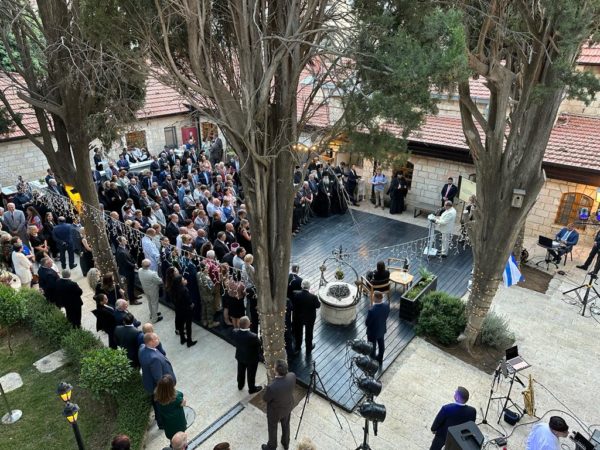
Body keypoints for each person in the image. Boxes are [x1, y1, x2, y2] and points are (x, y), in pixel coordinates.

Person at [139, 332, 177, 429]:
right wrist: (166, 390)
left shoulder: (142, 348)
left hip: (149, 384)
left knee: (156, 404)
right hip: (156, 387)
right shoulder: (154, 359)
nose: (158, 339)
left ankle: (159, 419)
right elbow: (158, 378)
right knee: (159, 404)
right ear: (151, 342)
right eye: (156, 338)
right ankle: (162, 423)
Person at [262, 359, 296, 450]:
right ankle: (286, 443)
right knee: (286, 426)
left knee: (272, 428)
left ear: (276, 371)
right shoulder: (292, 376)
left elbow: (265, 399)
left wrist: (265, 390)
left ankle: (272, 446)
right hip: (287, 407)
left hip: (275, 412)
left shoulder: (272, 387)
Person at [232, 316, 263, 394]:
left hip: (240, 356)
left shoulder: (235, 332)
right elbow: (259, 344)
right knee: (251, 374)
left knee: (240, 372)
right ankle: (252, 389)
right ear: (248, 324)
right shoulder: (253, 336)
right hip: (251, 359)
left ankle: (240, 385)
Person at [291, 280, 321, 355]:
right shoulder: (313, 297)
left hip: (299, 318)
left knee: (298, 332)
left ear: (302, 286)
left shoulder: (296, 295)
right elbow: (318, 305)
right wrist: (314, 295)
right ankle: (308, 347)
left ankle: (298, 347)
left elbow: (294, 306)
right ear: (309, 287)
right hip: (309, 318)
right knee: (309, 332)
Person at [154, 374, 187, 440]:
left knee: (172, 439)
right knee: (181, 438)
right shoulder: (176, 397)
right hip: (179, 423)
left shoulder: (158, 397)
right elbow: (183, 403)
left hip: (168, 426)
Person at [168, 275, 197, 347]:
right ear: (180, 282)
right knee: (188, 325)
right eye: (183, 279)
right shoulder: (184, 290)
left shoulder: (173, 289)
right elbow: (188, 300)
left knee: (181, 324)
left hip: (178, 310)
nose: (185, 280)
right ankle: (189, 341)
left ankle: (182, 339)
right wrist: (191, 304)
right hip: (186, 310)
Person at [365, 291, 390, 366]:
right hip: (381, 329)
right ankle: (380, 358)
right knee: (381, 344)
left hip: (372, 332)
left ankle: (372, 362)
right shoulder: (386, 306)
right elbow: (386, 316)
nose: (372, 297)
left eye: (373, 296)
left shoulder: (372, 311)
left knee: (372, 347)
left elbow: (367, 323)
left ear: (376, 298)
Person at [116, 236, 142, 304]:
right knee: (130, 286)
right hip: (127, 271)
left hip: (130, 269)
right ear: (120, 242)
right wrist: (134, 265)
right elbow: (126, 262)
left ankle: (133, 296)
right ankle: (132, 300)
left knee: (132, 284)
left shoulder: (124, 248)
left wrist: (134, 263)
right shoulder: (120, 251)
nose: (126, 241)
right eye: (124, 240)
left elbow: (130, 256)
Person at [138, 259, 164, 323]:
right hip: (153, 290)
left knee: (150, 302)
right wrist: (162, 279)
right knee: (154, 303)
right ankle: (155, 318)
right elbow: (159, 281)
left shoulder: (139, 270)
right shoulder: (152, 274)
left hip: (145, 289)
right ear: (149, 265)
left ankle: (152, 313)